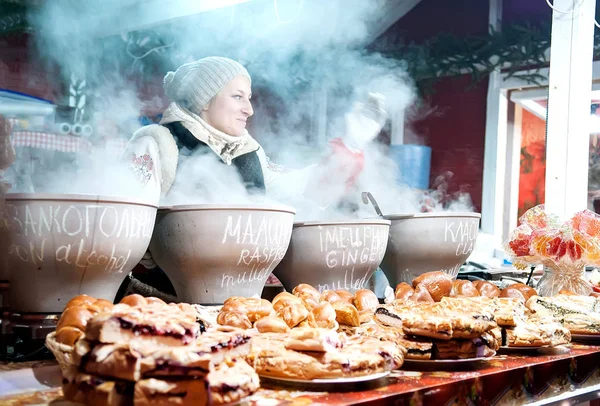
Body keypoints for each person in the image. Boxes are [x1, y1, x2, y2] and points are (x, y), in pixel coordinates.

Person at [118, 56, 387, 300]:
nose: (249, 109)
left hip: (242, 307)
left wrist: (351, 145)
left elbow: (303, 190)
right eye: (238, 97)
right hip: (160, 303)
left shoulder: (250, 152)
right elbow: (125, 229)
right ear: (205, 100)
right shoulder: (158, 144)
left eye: (249, 98)